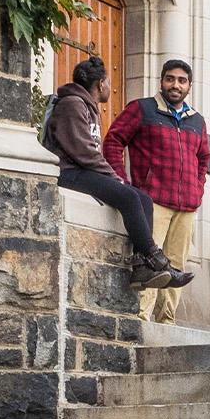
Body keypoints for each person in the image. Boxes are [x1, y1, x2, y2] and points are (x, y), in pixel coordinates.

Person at [47, 56, 184, 289]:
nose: (110, 87)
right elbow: (83, 151)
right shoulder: (72, 104)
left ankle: (142, 267)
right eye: (108, 82)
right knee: (129, 196)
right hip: (69, 172)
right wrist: (114, 176)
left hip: (84, 171)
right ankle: (155, 259)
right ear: (101, 84)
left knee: (143, 198)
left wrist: (113, 177)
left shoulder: (86, 106)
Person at [103, 59, 210, 323]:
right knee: (152, 262)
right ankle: (142, 317)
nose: (175, 85)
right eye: (170, 79)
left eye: (181, 81)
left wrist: (197, 189)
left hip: (187, 206)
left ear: (189, 86)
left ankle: (167, 320)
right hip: (153, 201)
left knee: (176, 263)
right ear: (161, 81)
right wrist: (120, 178)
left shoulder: (197, 120)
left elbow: (204, 158)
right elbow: (113, 140)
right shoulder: (142, 109)